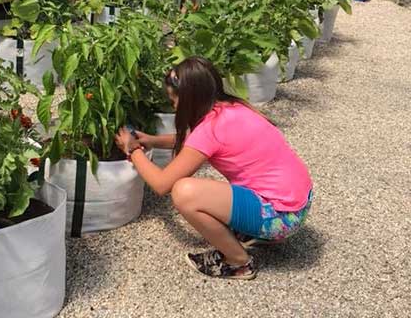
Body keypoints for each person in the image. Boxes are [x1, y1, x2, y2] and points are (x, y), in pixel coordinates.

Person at [115, 57, 313, 280]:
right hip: (299, 203)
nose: (174, 106)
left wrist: (133, 151)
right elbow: (194, 141)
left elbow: (162, 185)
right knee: (199, 189)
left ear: (188, 99)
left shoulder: (210, 130)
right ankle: (248, 231)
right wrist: (152, 140)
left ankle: (238, 262)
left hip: (281, 217)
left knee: (184, 192)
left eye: (174, 101)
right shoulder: (230, 108)